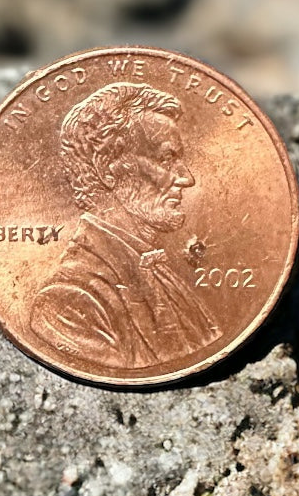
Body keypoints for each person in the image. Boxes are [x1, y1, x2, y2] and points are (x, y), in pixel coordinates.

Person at [30, 82, 220, 370]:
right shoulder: (67, 302)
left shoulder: (159, 271)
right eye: (166, 158)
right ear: (108, 168)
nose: (186, 178)